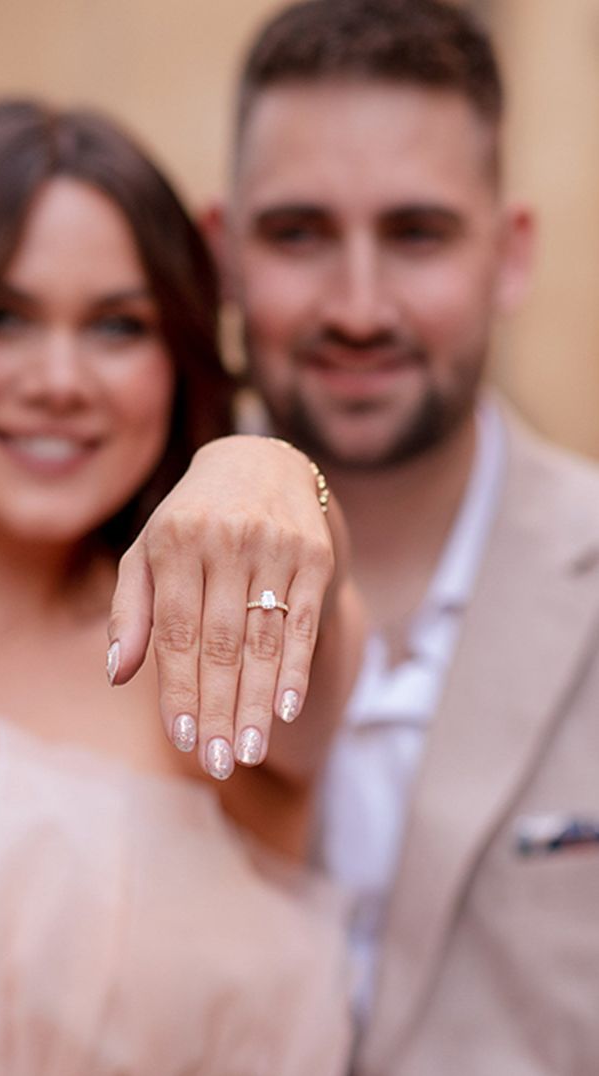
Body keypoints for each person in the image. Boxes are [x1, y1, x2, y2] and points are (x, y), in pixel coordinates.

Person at [0, 98, 361, 1073]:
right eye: (0, 316)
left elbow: (325, 605)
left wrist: (274, 471)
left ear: (176, 355)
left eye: (116, 325)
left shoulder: (218, 645)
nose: (59, 379)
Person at [200, 0, 599, 1072]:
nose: (360, 307)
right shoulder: (104, 564)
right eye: (298, 234)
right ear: (221, 252)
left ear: (508, 255)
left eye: (415, 234)